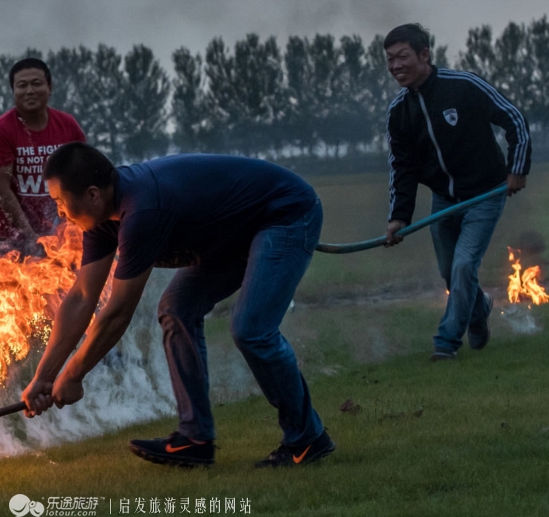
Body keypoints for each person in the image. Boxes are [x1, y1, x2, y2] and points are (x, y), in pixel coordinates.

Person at [20, 142, 335, 468]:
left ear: (93, 194)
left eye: (59, 201)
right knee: (176, 309)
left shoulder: (142, 210)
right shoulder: (101, 219)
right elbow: (82, 298)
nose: (59, 211)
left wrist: (73, 374)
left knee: (251, 328)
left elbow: (118, 311)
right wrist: (45, 376)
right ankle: (195, 439)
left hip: (284, 214)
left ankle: (308, 438)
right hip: (234, 233)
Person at [382, 23, 531, 361]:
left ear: (424, 54)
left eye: (402, 57)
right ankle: (480, 310)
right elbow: (402, 168)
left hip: (485, 195)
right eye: (389, 60)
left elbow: (514, 119)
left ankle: (446, 342)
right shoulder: (399, 112)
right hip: (444, 202)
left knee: (464, 266)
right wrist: (398, 217)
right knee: (450, 272)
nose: (395, 67)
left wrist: (517, 169)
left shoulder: (463, 85)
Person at [0, 58, 86, 266]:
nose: (30, 91)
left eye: (36, 84)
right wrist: (28, 235)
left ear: (49, 87)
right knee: (2, 295)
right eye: (22, 85)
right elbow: (2, 190)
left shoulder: (68, 126)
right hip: (3, 233)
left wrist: (69, 229)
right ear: (13, 91)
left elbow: (79, 179)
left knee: (59, 295)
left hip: (54, 231)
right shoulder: (0, 130)